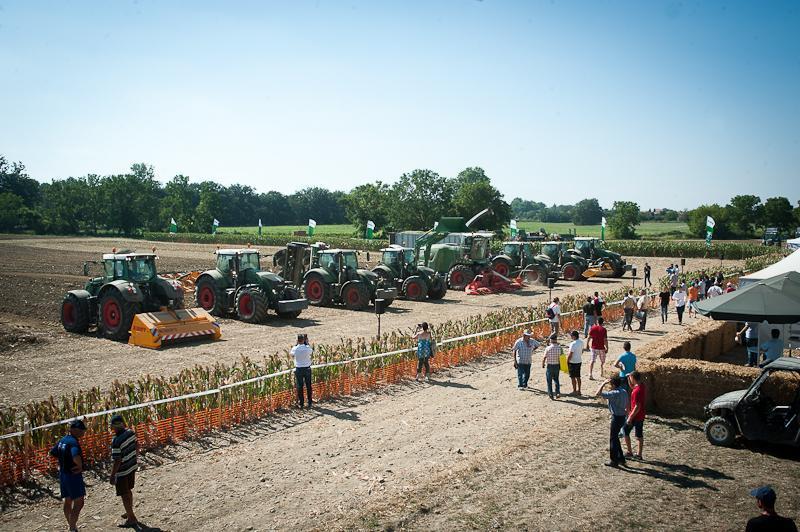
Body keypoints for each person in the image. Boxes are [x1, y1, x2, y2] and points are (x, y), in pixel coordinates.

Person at [50, 419, 87, 532]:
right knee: (79, 502)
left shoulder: (63, 440)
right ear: (75, 430)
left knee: (68, 500)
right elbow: (75, 455)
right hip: (73, 475)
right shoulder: (73, 442)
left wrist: (63, 461)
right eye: (82, 430)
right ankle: (72, 528)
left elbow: (52, 452)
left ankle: (71, 526)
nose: (83, 433)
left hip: (63, 474)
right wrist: (80, 466)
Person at [109, 414, 138, 528]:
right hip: (131, 466)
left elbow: (117, 460)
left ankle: (131, 518)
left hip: (122, 471)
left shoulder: (116, 441)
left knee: (124, 494)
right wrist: (133, 457)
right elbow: (136, 445)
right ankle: (129, 511)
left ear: (113, 427)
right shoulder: (131, 432)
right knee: (128, 490)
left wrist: (112, 475)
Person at [595, 375, 629, 467]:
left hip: (616, 417)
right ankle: (621, 459)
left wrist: (603, 383)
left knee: (613, 439)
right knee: (616, 438)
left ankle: (614, 460)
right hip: (622, 417)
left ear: (613, 384)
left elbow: (597, 394)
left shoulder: (614, 393)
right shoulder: (624, 391)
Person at [623, 371, 646, 460]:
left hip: (636, 416)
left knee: (627, 431)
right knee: (638, 434)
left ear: (634, 378)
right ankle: (638, 454)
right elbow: (632, 386)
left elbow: (637, 406)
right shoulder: (641, 386)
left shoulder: (637, 391)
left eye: (631, 378)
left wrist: (630, 417)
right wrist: (629, 378)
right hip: (640, 415)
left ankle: (631, 452)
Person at [291, 333, 313, 408]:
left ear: (297, 340)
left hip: (299, 369)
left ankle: (301, 403)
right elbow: (311, 352)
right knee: (308, 386)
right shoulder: (307, 348)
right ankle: (310, 402)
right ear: (304, 340)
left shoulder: (295, 348)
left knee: (300, 386)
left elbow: (292, 354)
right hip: (307, 368)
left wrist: (296, 344)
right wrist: (307, 343)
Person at [541, 334, 563, 400]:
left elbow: (544, 357)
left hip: (549, 366)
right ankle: (557, 392)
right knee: (556, 379)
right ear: (556, 340)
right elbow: (561, 358)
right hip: (557, 365)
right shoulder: (559, 348)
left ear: (551, 340)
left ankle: (550, 394)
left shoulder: (548, 348)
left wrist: (543, 364)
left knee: (549, 380)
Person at [567, 330, 583, 395]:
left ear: (573, 336)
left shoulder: (573, 344)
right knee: (578, 376)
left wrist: (567, 361)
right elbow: (582, 351)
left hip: (573, 362)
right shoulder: (581, 342)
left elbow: (570, 354)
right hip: (579, 361)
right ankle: (579, 390)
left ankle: (574, 390)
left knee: (573, 377)